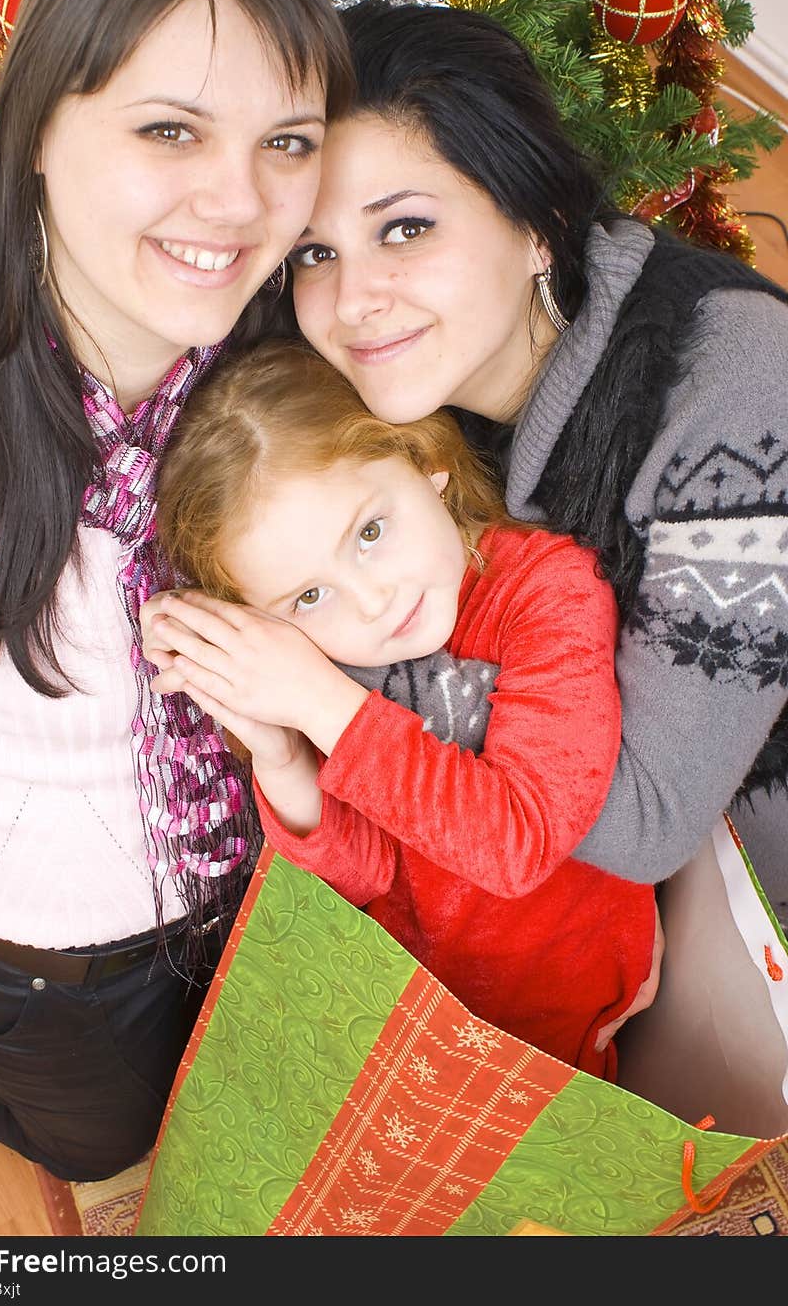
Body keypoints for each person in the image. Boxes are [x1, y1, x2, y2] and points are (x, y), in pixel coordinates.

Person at [0, 0, 353, 1181]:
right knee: (111, 1157)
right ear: (38, 126)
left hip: (266, 893)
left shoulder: (285, 382)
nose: (240, 202)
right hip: (57, 964)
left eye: (288, 143)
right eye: (171, 130)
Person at [281, 0, 788, 920]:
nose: (353, 300)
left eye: (405, 228)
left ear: (538, 224)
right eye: (315, 251)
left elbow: (644, 812)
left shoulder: (739, 392)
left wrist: (313, 678)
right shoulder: (419, 402)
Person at [142, 339, 659, 1080]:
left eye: (370, 532)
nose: (374, 598)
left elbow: (521, 838)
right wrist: (283, 753)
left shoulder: (549, 589)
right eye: (308, 596)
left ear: (425, 465)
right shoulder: (327, 664)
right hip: (411, 1010)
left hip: (561, 1002)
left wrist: (323, 701)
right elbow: (369, 875)